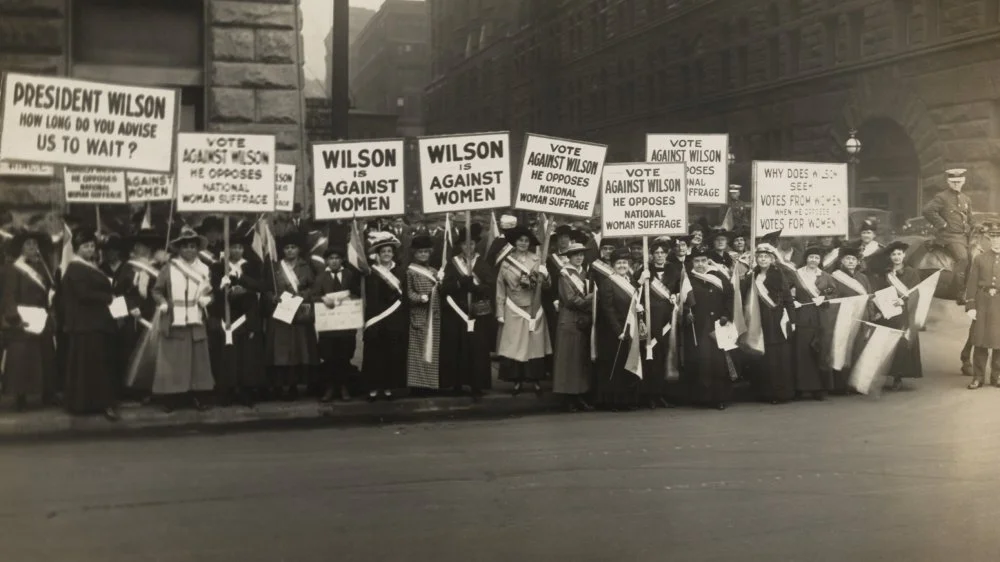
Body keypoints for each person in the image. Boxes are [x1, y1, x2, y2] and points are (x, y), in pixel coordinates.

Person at [151, 226, 215, 412]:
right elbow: (156, 290)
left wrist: (208, 299)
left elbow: (212, 293)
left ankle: (198, 397)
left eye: (193, 246)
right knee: (173, 361)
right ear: (179, 249)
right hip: (175, 320)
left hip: (195, 320)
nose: (189, 250)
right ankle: (172, 398)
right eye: (185, 246)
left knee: (198, 361)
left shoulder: (204, 269)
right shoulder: (169, 268)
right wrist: (162, 302)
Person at [61, 229, 120, 420]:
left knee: (94, 364)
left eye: (92, 246)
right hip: (87, 322)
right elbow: (83, 294)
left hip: (94, 321)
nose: (90, 249)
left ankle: (92, 402)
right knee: (91, 364)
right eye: (85, 246)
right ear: (77, 249)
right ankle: (91, 403)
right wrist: (107, 297)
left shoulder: (90, 266)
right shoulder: (76, 268)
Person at [1, 230, 57, 410]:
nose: (34, 248)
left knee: (46, 354)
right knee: (22, 358)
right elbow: (8, 295)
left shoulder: (43, 268)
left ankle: (48, 393)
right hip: (23, 317)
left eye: (35, 244)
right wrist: (13, 317)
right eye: (29, 245)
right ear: (21, 249)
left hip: (42, 316)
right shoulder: (12, 269)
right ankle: (21, 396)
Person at [210, 228, 267, 407]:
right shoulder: (218, 267)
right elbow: (211, 291)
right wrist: (223, 287)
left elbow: (260, 286)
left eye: (239, 248)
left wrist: (241, 281)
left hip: (245, 315)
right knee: (226, 356)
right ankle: (226, 391)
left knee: (246, 356)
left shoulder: (251, 266)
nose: (236, 251)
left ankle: (245, 392)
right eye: (232, 247)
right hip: (225, 315)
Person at [439, 223, 494, 400]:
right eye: (464, 244)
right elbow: (444, 288)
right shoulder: (452, 264)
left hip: (476, 311)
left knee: (477, 349)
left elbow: (490, 286)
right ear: (460, 246)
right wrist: (458, 284)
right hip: (456, 311)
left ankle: (477, 384)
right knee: (457, 347)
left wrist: (476, 287)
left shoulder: (482, 263)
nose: (468, 247)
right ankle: (457, 383)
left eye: (471, 244)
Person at [264, 230, 320, 400]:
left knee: (299, 350)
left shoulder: (306, 266)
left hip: (300, 314)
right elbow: (266, 289)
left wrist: (302, 296)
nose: (289, 251)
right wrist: (273, 298)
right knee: (281, 351)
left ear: (299, 250)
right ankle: (280, 385)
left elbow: (314, 287)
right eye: (287, 248)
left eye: (293, 247)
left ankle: (295, 385)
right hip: (281, 314)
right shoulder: (275, 268)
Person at [496, 225, 551, 395]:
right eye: (520, 240)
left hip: (533, 307)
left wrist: (545, 275)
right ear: (515, 242)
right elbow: (500, 287)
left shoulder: (537, 260)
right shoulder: (506, 262)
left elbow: (547, 287)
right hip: (514, 307)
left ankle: (535, 380)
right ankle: (517, 380)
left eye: (526, 241)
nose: (523, 243)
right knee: (515, 345)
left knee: (534, 345)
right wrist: (500, 311)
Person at [595, 247, 647, 410]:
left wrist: (640, 308)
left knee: (626, 365)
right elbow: (608, 309)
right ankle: (613, 401)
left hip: (629, 330)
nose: (622, 265)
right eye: (619, 263)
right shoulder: (608, 283)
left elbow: (634, 301)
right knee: (614, 366)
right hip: (614, 332)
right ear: (613, 265)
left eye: (625, 262)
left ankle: (627, 400)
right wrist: (618, 331)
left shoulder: (631, 282)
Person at [745, 243, 797, 404]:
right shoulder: (751, 276)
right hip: (759, 320)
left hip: (776, 320)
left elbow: (788, 299)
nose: (763, 259)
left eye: (766, 257)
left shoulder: (779, 274)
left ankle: (780, 393)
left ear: (772, 259)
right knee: (763, 357)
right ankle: (764, 392)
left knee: (777, 357)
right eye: (760, 257)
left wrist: (793, 320)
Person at [682, 247, 734, 410]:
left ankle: (720, 398)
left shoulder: (719, 277)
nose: (700, 264)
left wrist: (727, 314)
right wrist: (685, 314)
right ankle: (701, 398)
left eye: (703, 260)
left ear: (708, 261)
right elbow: (681, 301)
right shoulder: (687, 278)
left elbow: (730, 297)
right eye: (697, 261)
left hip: (718, 325)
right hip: (698, 327)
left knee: (718, 362)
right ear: (692, 262)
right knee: (701, 361)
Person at [870, 241, 923, 391]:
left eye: (899, 254)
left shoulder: (912, 273)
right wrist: (880, 309)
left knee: (901, 344)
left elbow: (915, 292)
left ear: (904, 255)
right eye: (893, 254)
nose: (896, 257)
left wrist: (904, 300)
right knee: (887, 344)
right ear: (890, 256)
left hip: (904, 313)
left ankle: (898, 377)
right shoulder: (885, 274)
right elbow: (878, 292)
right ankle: (887, 373)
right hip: (889, 314)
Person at [118, 227, 164, 399]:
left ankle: (149, 389)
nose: (142, 248)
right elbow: (119, 290)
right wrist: (130, 306)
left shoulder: (161, 267)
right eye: (139, 245)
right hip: (133, 314)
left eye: (146, 245)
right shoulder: (128, 267)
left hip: (153, 313)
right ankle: (129, 389)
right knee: (129, 349)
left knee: (151, 353)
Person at [363, 231, 408, 401]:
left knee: (392, 354)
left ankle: (389, 387)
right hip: (377, 317)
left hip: (395, 317)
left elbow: (404, 295)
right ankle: (373, 388)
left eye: (389, 251)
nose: (387, 254)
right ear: (378, 254)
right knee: (375, 355)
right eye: (383, 252)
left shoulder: (401, 271)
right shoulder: (371, 272)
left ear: (393, 253)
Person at [791, 246, 840, 400]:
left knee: (820, 351)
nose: (813, 260)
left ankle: (819, 388)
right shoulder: (796, 275)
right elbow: (789, 291)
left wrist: (824, 298)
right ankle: (801, 387)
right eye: (811, 257)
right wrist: (793, 301)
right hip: (802, 316)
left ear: (820, 261)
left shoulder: (826, 276)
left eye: (816, 258)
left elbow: (834, 292)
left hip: (821, 316)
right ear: (806, 258)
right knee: (802, 351)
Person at [313, 246, 361, 403]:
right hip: (328, 325)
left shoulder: (349, 275)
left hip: (346, 324)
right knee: (329, 356)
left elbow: (358, 294)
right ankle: (329, 388)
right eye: (331, 258)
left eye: (337, 258)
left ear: (342, 260)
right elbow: (313, 295)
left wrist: (347, 298)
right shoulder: (320, 277)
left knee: (344, 355)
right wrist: (322, 299)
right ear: (327, 261)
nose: (334, 261)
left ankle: (344, 387)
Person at [552, 242, 593, 411]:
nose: (579, 257)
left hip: (583, 320)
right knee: (568, 360)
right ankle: (568, 398)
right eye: (575, 254)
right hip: (569, 320)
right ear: (569, 256)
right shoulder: (564, 274)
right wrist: (590, 299)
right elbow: (570, 299)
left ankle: (580, 395)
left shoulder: (585, 272)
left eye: (581, 254)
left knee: (580, 360)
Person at [924, 167, 974, 303]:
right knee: (963, 258)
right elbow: (928, 211)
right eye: (953, 182)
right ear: (948, 182)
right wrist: (942, 224)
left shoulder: (966, 199)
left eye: (958, 181)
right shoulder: (942, 197)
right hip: (949, 237)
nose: (956, 184)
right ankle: (960, 293)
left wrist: (976, 228)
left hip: (963, 236)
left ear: (963, 181)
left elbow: (970, 218)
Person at [830, 246, 874, 393]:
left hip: (861, 318)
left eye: (853, 259)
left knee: (857, 349)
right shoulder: (835, 276)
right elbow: (832, 298)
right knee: (841, 349)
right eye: (847, 259)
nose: (850, 261)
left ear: (858, 262)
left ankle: (854, 383)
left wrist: (871, 315)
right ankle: (840, 385)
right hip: (843, 318)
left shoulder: (863, 278)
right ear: (841, 261)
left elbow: (869, 298)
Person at [964, 221, 1000, 389]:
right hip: (982, 302)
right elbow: (972, 284)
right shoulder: (980, 258)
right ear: (988, 238)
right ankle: (978, 377)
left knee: (998, 341)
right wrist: (970, 305)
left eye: (999, 237)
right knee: (980, 340)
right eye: (993, 237)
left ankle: (997, 376)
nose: (996, 240)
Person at [643, 239, 677, 409]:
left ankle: (663, 394)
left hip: (668, 321)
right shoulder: (644, 271)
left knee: (665, 357)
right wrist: (641, 280)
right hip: (651, 320)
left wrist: (675, 297)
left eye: (663, 252)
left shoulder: (674, 271)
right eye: (656, 253)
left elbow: (679, 291)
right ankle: (651, 395)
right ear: (651, 255)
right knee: (652, 359)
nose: (660, 255)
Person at [405, 234, 442, 391]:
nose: (423, 255)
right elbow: (408, 293)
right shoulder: (410, 272)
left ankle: (430, 384)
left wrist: (441, 283)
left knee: (432, 350)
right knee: (418, 350)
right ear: (414, 253)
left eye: (426, 252)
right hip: (419, 314)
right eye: (420, 252)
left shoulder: (434, 271)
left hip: (434, 315)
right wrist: (420, 298)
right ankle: (417, 385)